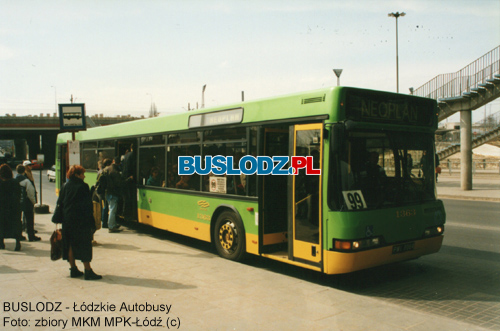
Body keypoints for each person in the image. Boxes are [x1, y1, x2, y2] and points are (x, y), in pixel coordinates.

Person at [53, 165, 101, 280]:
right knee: (84, 244)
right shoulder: (83, 186)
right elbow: (87, 206)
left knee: (69, 244)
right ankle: (88, 270)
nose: (84, 176)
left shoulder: (65, 186)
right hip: (81, 221)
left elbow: (60, 202)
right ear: (77, 175)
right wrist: (92, 222)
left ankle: (73, 269)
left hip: (67, 220)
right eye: (82, 174)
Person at [0, 164, 22, 251]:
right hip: (14, 208)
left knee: (1, 226)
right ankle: (17, 242)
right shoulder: (15, 182)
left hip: (2, 208)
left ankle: (1, 243)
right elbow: (18, 195)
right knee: (15, 225)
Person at [15, 165, 40, 242]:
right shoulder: (26, 181)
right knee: (29, 219)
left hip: (17, 202)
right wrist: (33, 201)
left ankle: (19, 235)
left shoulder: (14, 180)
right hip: (27, 203)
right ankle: (31, 236)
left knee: (18, 220)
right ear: (24, 171)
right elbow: (30, 192)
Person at [103, 157, 124, 233]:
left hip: (107, 192)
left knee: (110, 208)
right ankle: (111, 226)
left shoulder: (107, 169)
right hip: (113, 193)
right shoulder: (115, 171)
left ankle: (113, 224)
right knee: (112, 209)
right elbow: (119, 183)